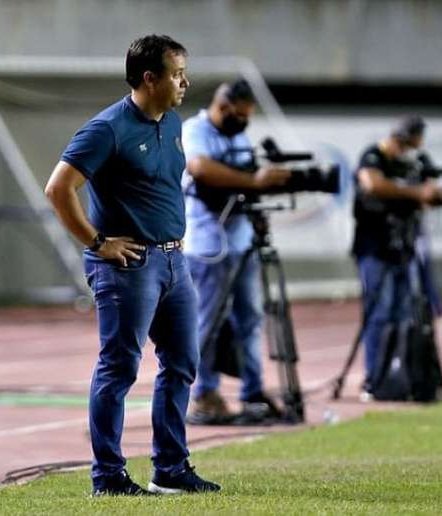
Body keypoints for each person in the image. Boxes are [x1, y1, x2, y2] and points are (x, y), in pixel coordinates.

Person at [45, 34, 219, 496]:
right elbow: (58, 189)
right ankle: (108, 476)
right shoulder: (107, 129)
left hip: (173, 261)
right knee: (119, 368)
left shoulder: (175, 122)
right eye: (177, 73)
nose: (185, 81)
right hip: (129, 264)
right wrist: (98, 242)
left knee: (183, 361)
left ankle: (171, 468)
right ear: (150, 78)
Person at [181, 79, 290, 424]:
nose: (244, 122)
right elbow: (199, 168)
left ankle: (253, 393)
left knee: (251, 320)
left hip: (242, 242)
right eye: (240, 115)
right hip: (207, 245)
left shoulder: (237, 136)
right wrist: (255, 181)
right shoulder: (195, 129)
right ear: (224, 107)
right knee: (208, 323)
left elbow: (244, 179)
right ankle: (203, 394)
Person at [352, 116, 442, 397]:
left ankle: (402, 376)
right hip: (374, 248)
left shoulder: (410, 164)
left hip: (403, 249)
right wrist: (415, 192)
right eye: (407, 147)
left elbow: (428, 197)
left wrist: (433, 195)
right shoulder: (373, 156)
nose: (409, 153)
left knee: (405, 315)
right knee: (379, 314)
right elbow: (372, 185)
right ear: (399, 139)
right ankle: (375, 378)